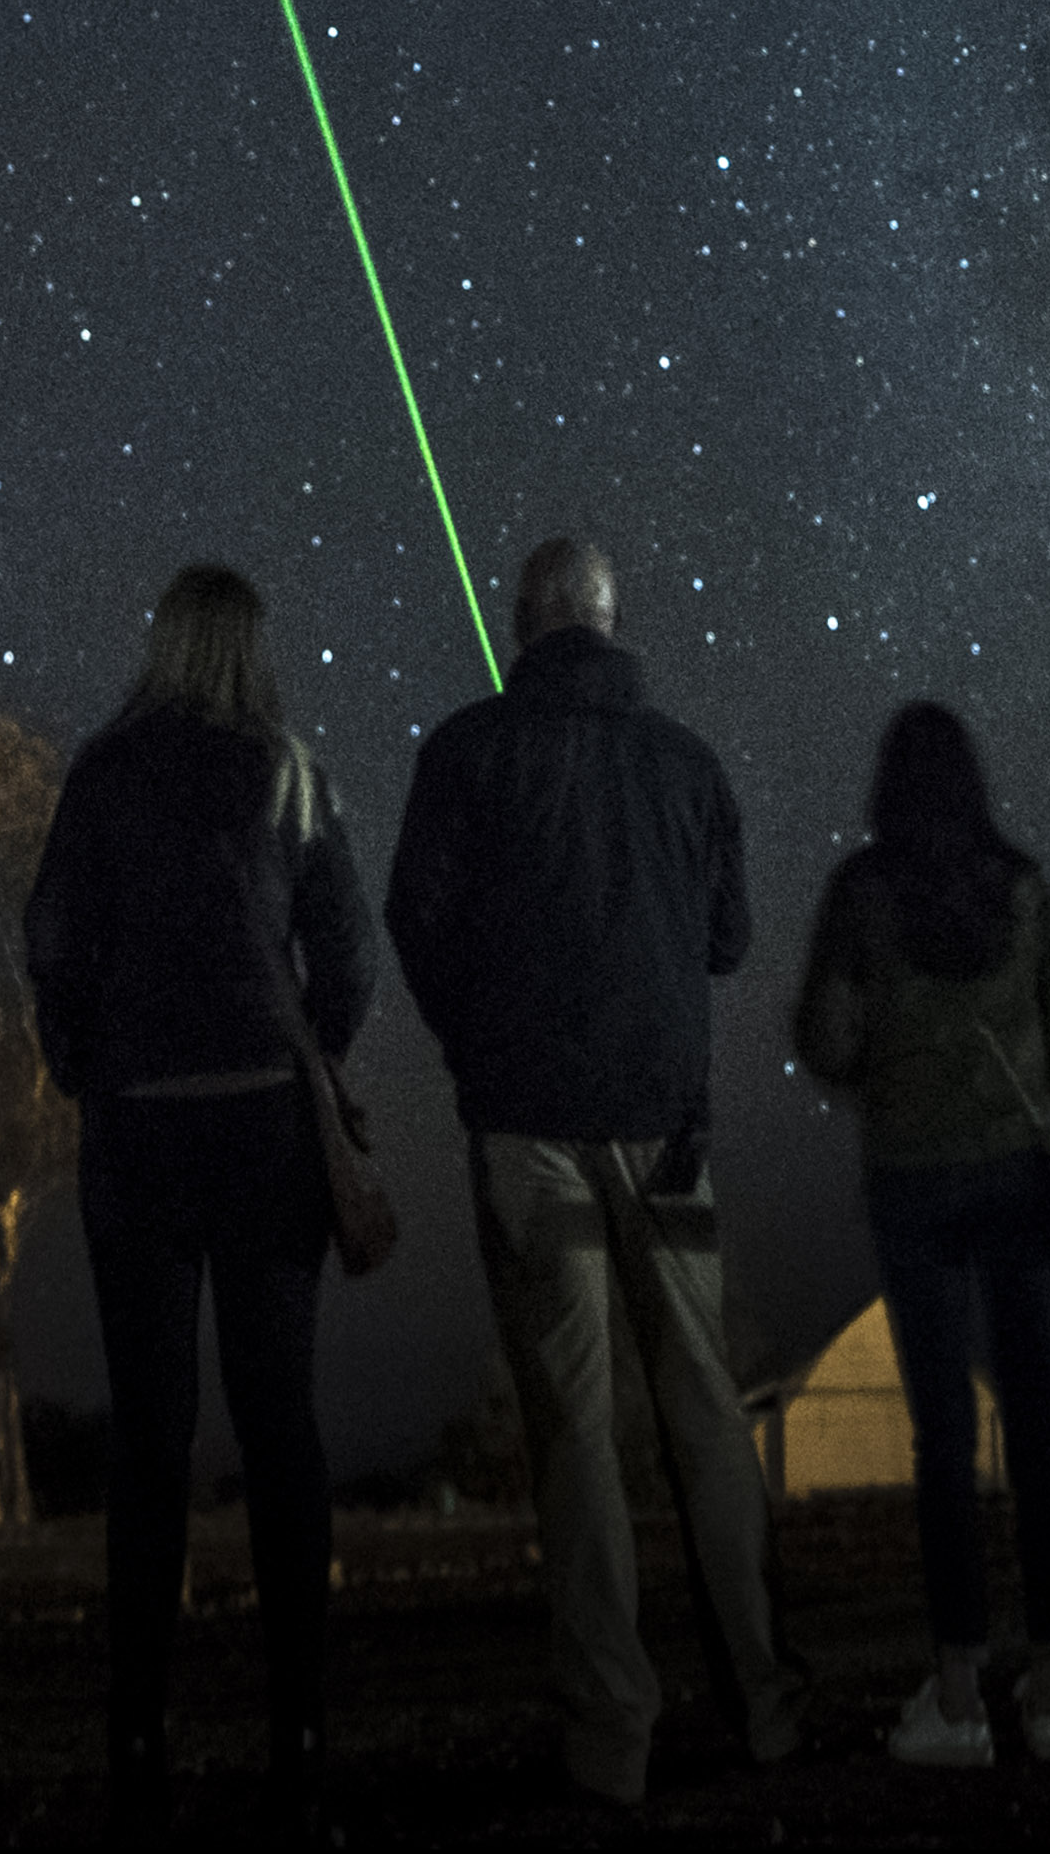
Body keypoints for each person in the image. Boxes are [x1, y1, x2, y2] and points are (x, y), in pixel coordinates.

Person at [382, 536, 799, 1807]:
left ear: (522, 622)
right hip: (666, 1128)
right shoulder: (687, 762)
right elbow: (728, 940)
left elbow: (415, 922)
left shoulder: (464, 751)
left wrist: (478, 1042)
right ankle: (766, 1705)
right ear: (615, 622)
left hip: (528, 1127)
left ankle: (610, 1734)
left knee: (571, 1424)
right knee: (703, 1406)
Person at [23, 561, 381, 1837]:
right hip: (265, 1128)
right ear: (252, 647)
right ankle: (297, 1745)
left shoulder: (103, 773)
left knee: (149, 1441)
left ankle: (137, 1746)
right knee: (281, 1428)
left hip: (140, 1134)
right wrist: (313, 1054)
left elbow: (52, 937)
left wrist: (85, 1064)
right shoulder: (291, 772)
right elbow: (347, 953)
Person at [791, 701, 1050, 1772]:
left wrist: (880, 1066)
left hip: (911, 1179)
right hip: (1018, 1171)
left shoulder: (859, 893)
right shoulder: (1021, 889)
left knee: (941, 1441)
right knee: (1042, 1426)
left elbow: (824, 1035)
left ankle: (961, 1688)